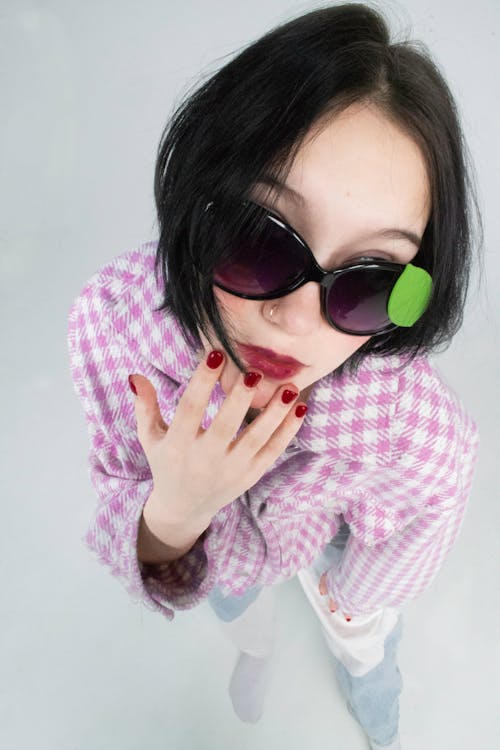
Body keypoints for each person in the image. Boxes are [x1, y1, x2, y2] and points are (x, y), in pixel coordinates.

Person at [67, 4, 482, 749]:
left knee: (366, 640)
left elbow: (430, 510)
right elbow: (117, 494)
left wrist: (351, 595)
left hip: (327, 541)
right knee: (238, 612)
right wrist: (179, 510)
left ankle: (372, 688)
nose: (297, 316)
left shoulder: (406, 421)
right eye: (260, 241)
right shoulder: (112, 323)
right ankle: (257, 653)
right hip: (213, 544)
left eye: (371, 280)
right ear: (199, 199)